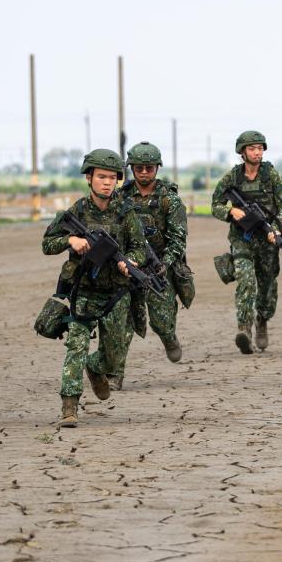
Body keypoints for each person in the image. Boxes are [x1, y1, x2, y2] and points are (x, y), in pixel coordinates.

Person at [41, 148, 147, 427]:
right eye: (101, 176)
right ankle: (69, 407)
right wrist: (70, 241)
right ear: (89, 178)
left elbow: (138, 247)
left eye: (113, 177)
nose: (107, 182)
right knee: (76, 345)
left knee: (114, 355)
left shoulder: (126, 214)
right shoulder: (75, 212)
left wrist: (131, 262)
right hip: (83, 291)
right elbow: (47, 244)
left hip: (115, 293)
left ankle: (95, 367)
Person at [111, 141, 189, 390]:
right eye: (139, 168)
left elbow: (178, 239)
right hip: (127, 268)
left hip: (158, 269)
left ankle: (169, 337)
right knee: (122, 322)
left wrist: (164, 264)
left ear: (157, 168)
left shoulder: (170, 200)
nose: (144, 172)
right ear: (131, 169)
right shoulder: (120, 197)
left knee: (161, 322)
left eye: (149, 167)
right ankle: (114, 374)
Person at [210, 130, 282, 354]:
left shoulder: (271, 175)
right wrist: (230, 212)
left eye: (260, 148)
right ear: (242, 152)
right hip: (241, 239)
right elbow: (215, 204)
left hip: (267, 240)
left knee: (267, 286)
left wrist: (276, 228)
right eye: (252, 148)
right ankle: (244, 329)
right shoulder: (232, 178)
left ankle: (262, 320)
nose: (257, 152)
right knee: (246, 281)